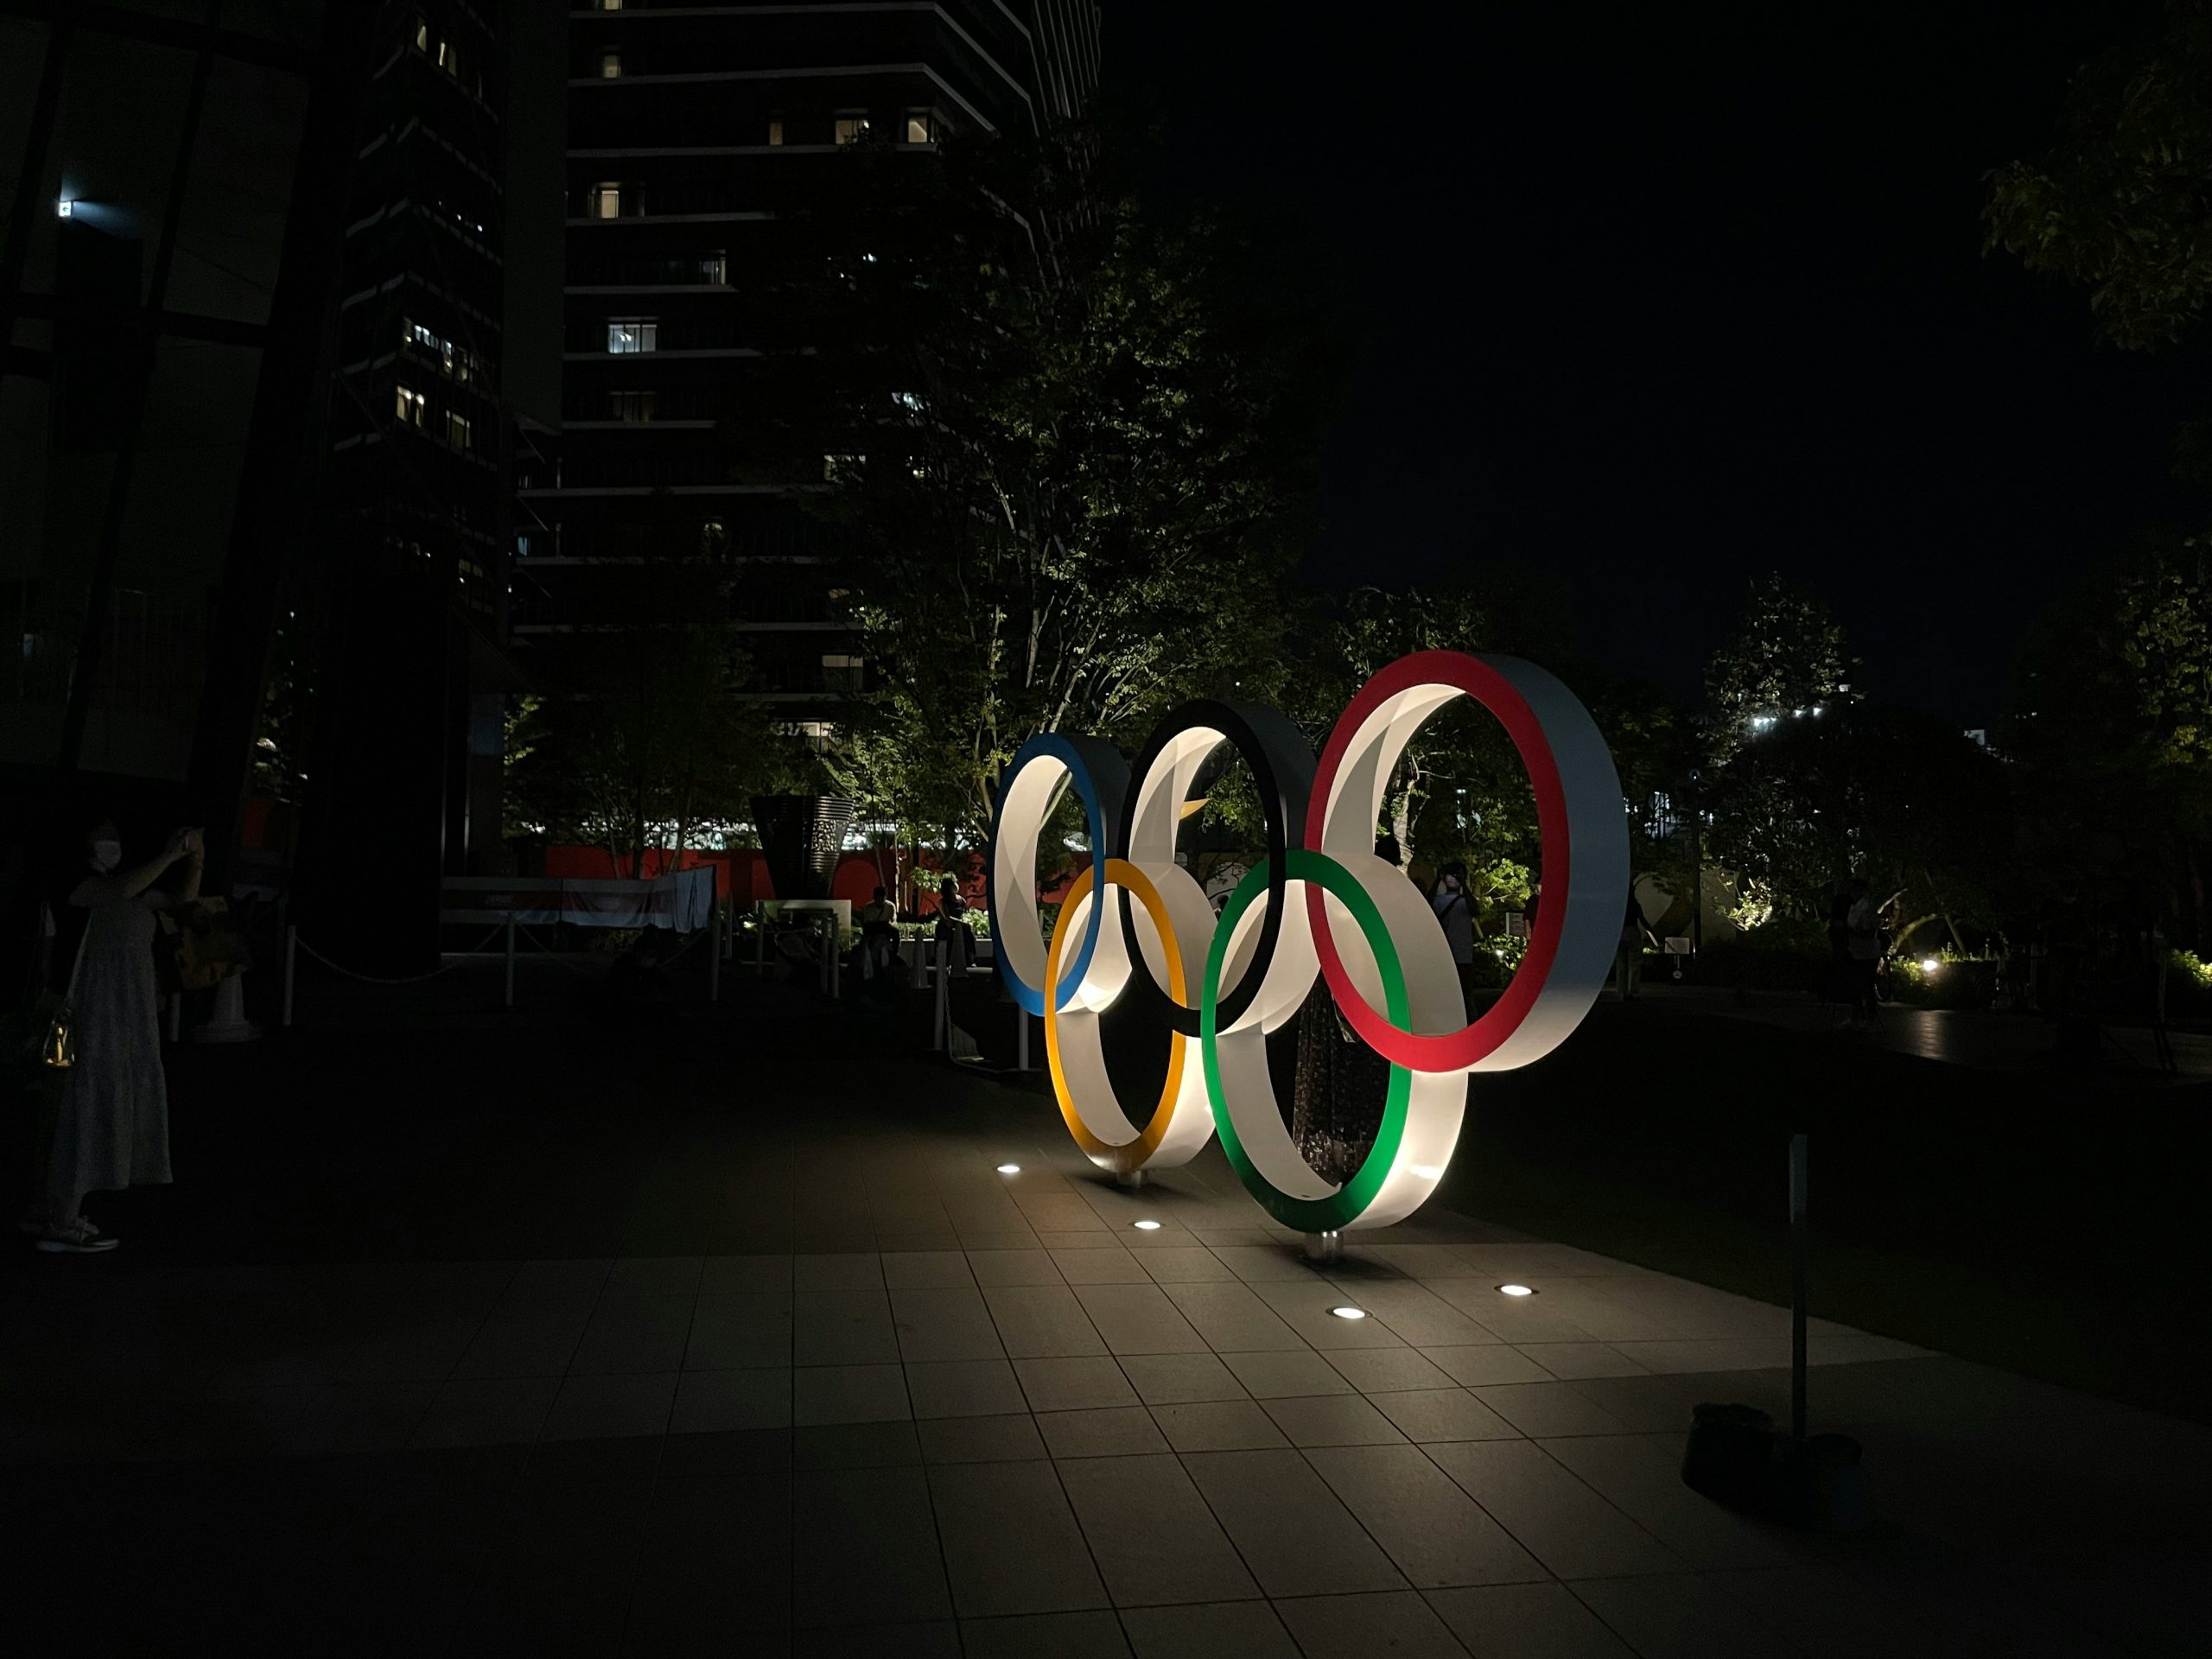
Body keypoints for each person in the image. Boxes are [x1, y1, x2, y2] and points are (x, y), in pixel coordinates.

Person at [22, 817, 200, 1253]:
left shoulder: (128, 885)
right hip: (74, 1014)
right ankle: (59, 1217)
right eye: (102, 838)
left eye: (115, 838)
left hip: (116, 1016)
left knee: (72, 1101)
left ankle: (51, 1209)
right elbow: (116, 892)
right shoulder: (76, 883)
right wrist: (172, 855)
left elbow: (178, 900)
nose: (110, 845)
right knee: (69, 1100)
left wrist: (195, 859)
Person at [1430, 860, 1476, 1011]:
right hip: (1445, 953)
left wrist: (1464, 885)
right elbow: (1427, 904)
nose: (1454, 879)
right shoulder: (1438, 900)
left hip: (1462, 954)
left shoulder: (1466, 901)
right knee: (1445, 993)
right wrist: (1437, 880)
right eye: (1451, 875)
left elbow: (1475, 909)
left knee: (1465, 994)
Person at [1844, 876, 1882, 1029]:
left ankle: (1868, 1020)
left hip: (1867, 954)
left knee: (1867, 986)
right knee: (1856, 986)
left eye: (1852, 889)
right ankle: (1856, 1018)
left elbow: (1870, 933)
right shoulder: (1853, 907)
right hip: (1855, 952)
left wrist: (1849, 931)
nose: (1849, 892)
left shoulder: (1867, 908)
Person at [933, 875, 976, 971]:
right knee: (949, 936)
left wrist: (966, 922)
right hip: (947, 926)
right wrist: (960, 923)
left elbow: (966, 913)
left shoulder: (961, 900)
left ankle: (970, 959)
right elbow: (947, 918)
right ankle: (946, 961)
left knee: (969, 935)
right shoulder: (943, 902)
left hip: (960, 925)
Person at [856, 885, 899, 976]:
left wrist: (890, 925)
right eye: (878, 900)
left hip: (885, 926)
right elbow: (867, 923)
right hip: (873, 927)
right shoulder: (868, 908)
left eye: (882, 899)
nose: (880, 902)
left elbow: (893, 920)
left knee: (896, 933)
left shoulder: (890, 906)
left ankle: (895, 953)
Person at [1616, 893, 1651, 999]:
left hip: (1619, 932)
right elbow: (1643, 920)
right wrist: (1651, 932)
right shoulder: (1635, 905)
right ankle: (1633, 990)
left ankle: (1622, 991)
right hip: (1632, 931)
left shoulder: (1618, 905)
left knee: (1621, 964)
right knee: (1635, 963)